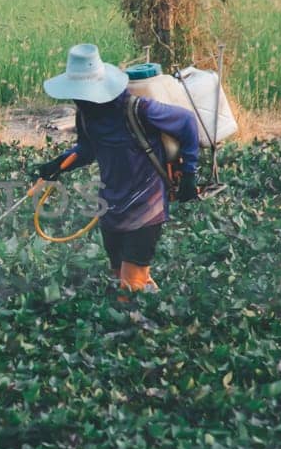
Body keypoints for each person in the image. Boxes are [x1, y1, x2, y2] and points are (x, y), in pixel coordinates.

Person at [33, 43, 200, 293]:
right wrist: (59, 164)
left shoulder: (138, 109)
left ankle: (139, 321)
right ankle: (154, 309)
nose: (79, 99)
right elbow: (87, 149)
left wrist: (189, 172)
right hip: (112, 207)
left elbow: (187, 121)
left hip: (146, 206)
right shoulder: (86, 115)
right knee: (120, 274)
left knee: (130, 284)